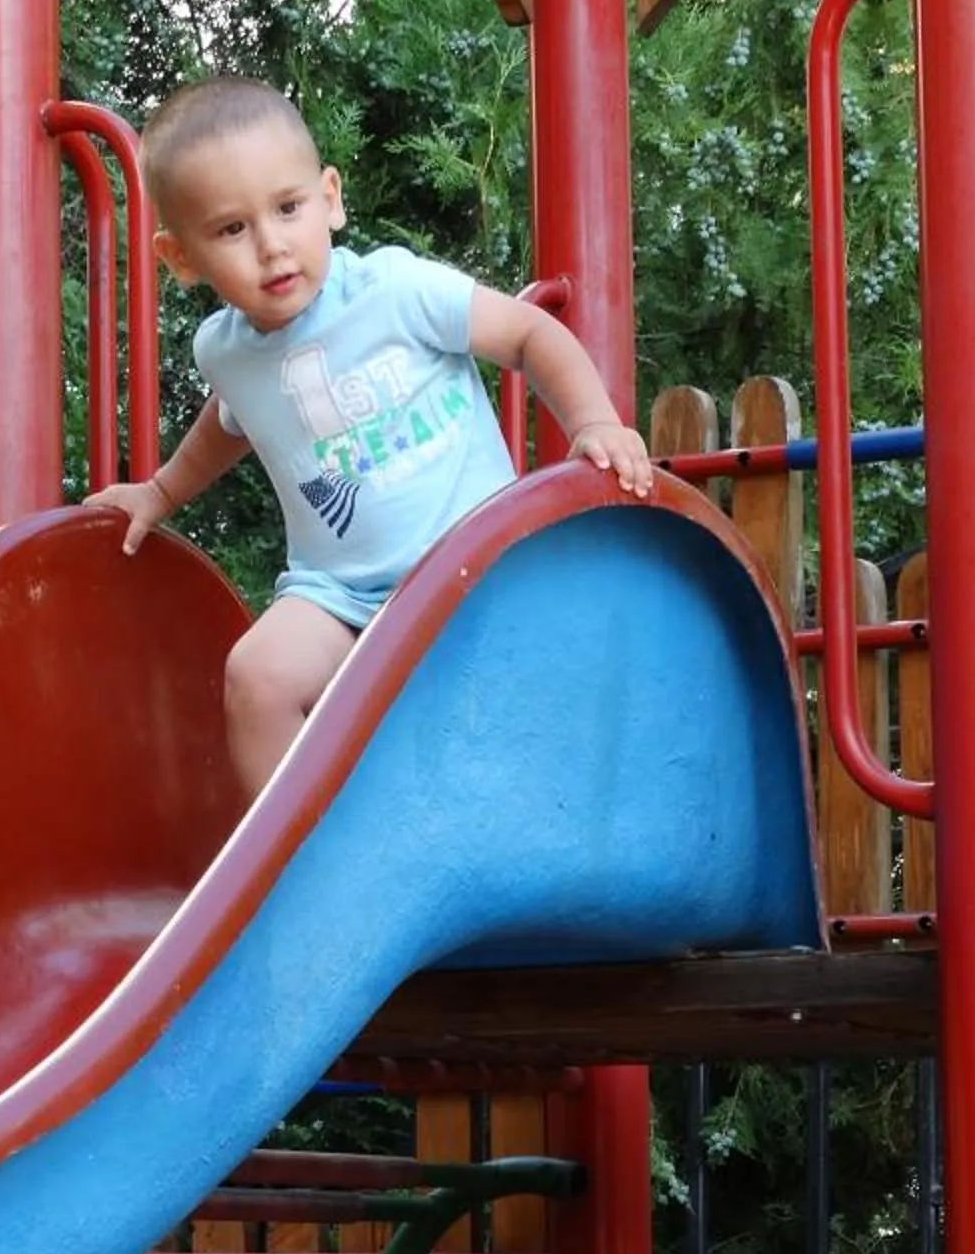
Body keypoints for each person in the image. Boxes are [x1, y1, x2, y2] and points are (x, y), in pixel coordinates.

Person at [89, 77, 656, 797]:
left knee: (548, 671)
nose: (271, 246)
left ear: (329, 197)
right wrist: (162, 490)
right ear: (180, 259)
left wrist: (594, 422)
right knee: (257, 677)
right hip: (342, 598)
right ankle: (307, 865)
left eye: (288, 209)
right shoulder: (225, 353)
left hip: (474, 567)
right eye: (232, 229)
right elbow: (232, 420)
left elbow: (527, 334)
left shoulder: (394, 291)